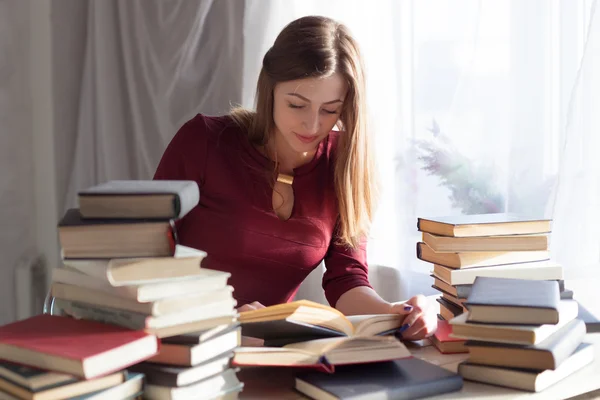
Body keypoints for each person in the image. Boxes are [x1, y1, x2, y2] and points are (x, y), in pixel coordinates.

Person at [154, 15, 436, 340]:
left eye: (330, 110)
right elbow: (145, 260)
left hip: (270, 352)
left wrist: (397, 314)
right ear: (270, 89)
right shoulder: (203, 141)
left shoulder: (342, 164)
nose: (312, 125)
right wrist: (219, 317)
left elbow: (347, 279)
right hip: (185, 342)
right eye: (297, 105)